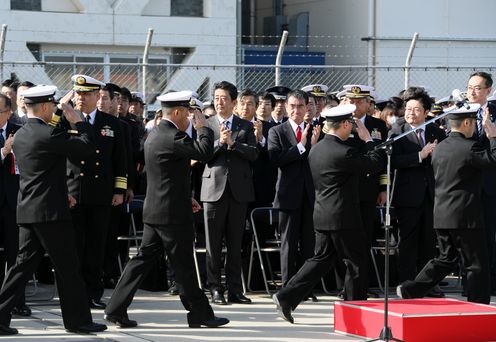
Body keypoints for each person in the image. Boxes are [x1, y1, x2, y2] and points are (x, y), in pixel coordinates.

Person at [104, 91, 229, 328]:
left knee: (142, 261)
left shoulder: (157, 134)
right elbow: (203, 152)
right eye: (190, 113)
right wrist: (203, 127)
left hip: (160, 209)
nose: (191, 118)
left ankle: (115, 308)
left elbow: (170, 175)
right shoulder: (172, 136)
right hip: (171, 215)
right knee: (184, 265)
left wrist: (186, 197)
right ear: (179, 112)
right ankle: (200, 313)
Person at [0, 85, 106, 335]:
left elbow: (46, 169)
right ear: (46, 106)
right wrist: (77, 120)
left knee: (21, 267)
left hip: (28, 210)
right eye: (53, 105)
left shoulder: (23, 133)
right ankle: (78, 320)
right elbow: (87, 146)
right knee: (69, 267)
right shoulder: (48, 135)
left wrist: (60, 113)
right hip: (50, 214)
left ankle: (1, 316)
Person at [272, 104, 384, 324]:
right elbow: (374, 163)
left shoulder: (318, 148)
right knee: (355, 262)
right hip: (344, 217)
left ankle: (286, 296)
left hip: (323, 214)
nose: (352, 128)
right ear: (343, 124)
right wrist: (369, 140)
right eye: (350, 124)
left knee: (322, 259)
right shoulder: (344, 151)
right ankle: (355, 313)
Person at [397, 104, 496, 304]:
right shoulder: (469, 148)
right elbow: (492, 161)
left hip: (442, 214)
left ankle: (411, 288)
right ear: (467, 123)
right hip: (465, 216)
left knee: (446, 258)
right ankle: (478, 305)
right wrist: (493, 137)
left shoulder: (440, 147)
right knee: (476, 264)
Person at [64, 74, 127, 309]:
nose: (81, 98)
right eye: (78, 93)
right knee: (74, 246)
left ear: (96, 96)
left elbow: (121, 160)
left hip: (101, 194)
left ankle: (93, 292)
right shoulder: (64, 120)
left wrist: (119, 189)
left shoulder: (111, 123)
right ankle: (74, 293)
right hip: (74, 192)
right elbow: (56, 158)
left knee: (96, 246)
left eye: (86, 94)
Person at [201, 81, 258, 305]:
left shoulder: (245, 126)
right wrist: (219, 143)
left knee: (235, 244)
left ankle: (235, 289)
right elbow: (202, 154)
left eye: (224, 98)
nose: (219, 102)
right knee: (213, 244)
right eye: (216, 97)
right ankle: (215, 288)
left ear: (234, 102)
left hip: (238, 191)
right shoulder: (206, 125)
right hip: (213, 190)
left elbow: (254, 154)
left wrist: (233, 144)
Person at [389, 87, 446, 297]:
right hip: (407, 197)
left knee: (429, 241)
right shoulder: (397, 132)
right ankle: (406, 283)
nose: (411, 113)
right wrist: (419, 156)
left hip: (432, 195)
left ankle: (428, 284)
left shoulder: (436, 131)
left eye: (416, 109)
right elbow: (393, 161)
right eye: (408, 109)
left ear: (426, 112)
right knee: (407, 242)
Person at [268, 90, 321, 287]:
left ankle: (305, 287)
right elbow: (276, 159)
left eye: (300, 106)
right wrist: (301, 146)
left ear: (307, 107)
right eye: (292, 106)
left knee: (309, 244)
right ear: (286, 107)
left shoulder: (316, 129)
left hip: (310, 195)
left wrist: (313, 147)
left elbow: (320, 162)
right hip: (288, 195)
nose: (296, 110)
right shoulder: (277, 131)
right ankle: (287, 288)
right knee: (288, 244)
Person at [0, 94, 31, 317]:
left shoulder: (19, 130)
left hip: (14, 202)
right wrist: (3, 151)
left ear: (8, 112)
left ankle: (18, 302)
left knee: (16, 255)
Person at [466, 71, 496, 293]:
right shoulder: (458, 113)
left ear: (489, 90)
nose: (472, 92)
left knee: (488, 235)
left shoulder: (494, 113)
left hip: (490, 183)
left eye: (477, 88)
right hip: (465, 184)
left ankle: (489, 283)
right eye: (469, 87)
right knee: (468, 237)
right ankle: (471, 282)